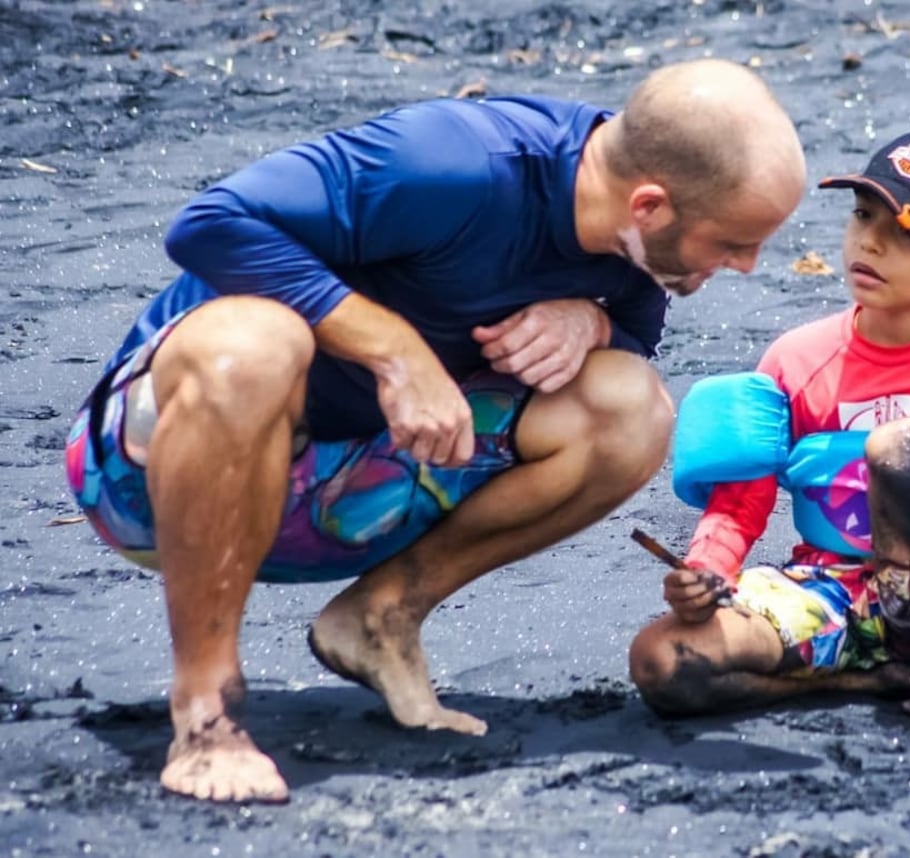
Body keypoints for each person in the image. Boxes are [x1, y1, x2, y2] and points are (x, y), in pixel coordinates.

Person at [63, 58, 807, 803]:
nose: (746, 267)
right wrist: (394, 351)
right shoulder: (454, 163)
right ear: (649, 206)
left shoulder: (638, 244)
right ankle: (206, 712)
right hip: (157, 488)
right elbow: (209, 223)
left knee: (629, 405)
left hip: (349, 497)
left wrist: (594, 320)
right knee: (256, 345)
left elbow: (633, 333)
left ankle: (381, 618)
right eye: (734, 242)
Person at [629, 130, 910, 754]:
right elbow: (739, 504)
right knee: (661, 660)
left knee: (898, 449)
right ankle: (860, 680)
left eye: (908, 231)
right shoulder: (796, 358)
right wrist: (704, 575)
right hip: (831, 593)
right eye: (864, 215)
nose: (870, 241)